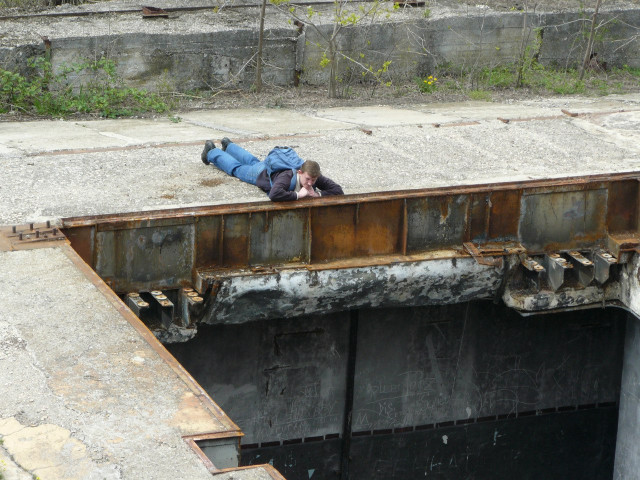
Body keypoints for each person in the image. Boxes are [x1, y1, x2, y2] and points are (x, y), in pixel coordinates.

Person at [201, 138, 344, 202]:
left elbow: (338, 190)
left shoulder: (312, 174)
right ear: (300, 172)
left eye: (314, 180)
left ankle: (229, 146)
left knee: (253, 161)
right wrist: (298, 196)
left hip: (271, 167)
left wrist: (317, 194)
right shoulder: (288, 176)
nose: (310, 183)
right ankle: (211, 152)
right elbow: (274, 194)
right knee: (237, 169)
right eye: (308, 179)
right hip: (261, 174)